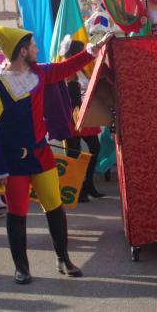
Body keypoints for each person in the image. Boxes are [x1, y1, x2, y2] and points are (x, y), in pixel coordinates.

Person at [0, 26, 112, 284]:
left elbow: (64, 68)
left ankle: (63, 259)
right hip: (13, 162)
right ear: (22, 50)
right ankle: (21, 267)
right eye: (32, 46)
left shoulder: (38, 72)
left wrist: (92, 50)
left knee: (54, 207)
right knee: (17, 214)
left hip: (41, 155)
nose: (37, 49)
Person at [61, 39, 104, 203]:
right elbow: (69, 96)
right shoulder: (67, 69)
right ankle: (77, 189)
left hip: (85, 113)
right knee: (74, 152)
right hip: (72, 115)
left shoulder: (81, 69)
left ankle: (89, 184)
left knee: (94, 147)